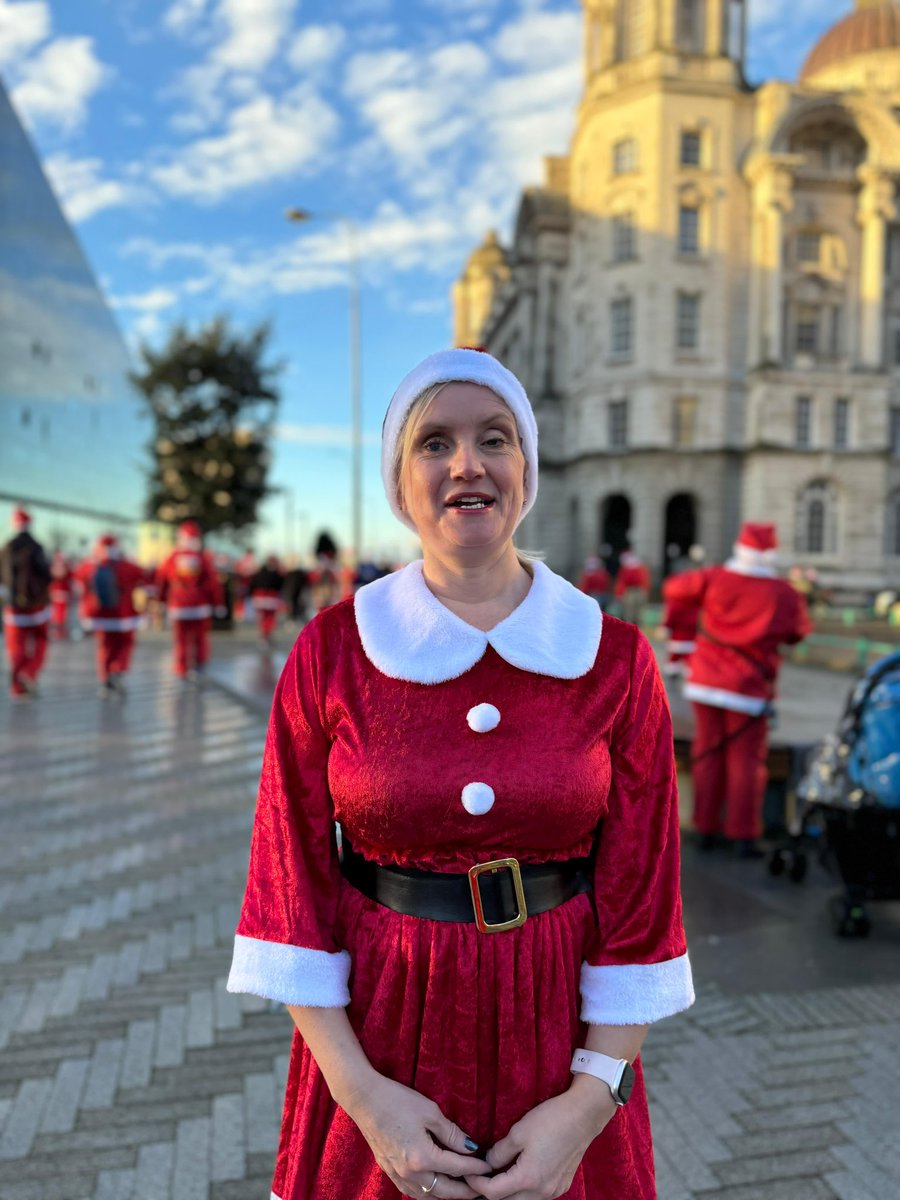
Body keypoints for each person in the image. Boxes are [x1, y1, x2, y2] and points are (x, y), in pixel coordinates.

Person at [227, 348, 694, 1200]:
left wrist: (590, 1104)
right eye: (434, 442)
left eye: (496, 438)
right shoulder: (332, 651)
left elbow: (642, 902)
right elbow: (288, 888)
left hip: (562, 1041)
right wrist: (363, 1098)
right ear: (400, 486)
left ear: (528, 470)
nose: (467, 462)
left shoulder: (616, 659)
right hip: (380, 1037)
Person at [664, 522, 811, 857]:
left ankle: (705, 827)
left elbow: (673, 588)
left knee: (708, 754)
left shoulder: (715, 578)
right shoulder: (783, 592)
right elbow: (798, 631)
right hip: (749, 686)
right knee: (747, 761)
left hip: (705, 681)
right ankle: (742, 834)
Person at [74, 533, 148, 697]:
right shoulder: (126, 566)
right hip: (124, 616)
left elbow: (79, 583)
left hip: (100, 616)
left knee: (104, 648)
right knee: (125, 645)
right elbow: (145, 577)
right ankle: (118, 669)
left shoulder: (89, 566)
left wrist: (85, 612)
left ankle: (105, 678)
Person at [154, 520, 224, 682]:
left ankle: (181, 668)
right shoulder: (203, 558)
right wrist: (217, 603)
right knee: (200, 638)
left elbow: (161, 580)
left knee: (180, 639)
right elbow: (212, 583)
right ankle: (199, 665)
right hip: (199, 606)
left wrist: (161, 600)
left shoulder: (172, 557)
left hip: (178, 605)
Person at [0, 507, 51, 699]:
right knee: (40, 641)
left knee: (15, 647)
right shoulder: (37, 546)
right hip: (37, 607)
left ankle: (17, 687)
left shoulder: (6, 547)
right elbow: (47, 575)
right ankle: (29, 672)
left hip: (13, 607)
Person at [659, 545, 705, 677]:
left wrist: (665, 627)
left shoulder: (675, 603)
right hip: (692, 636)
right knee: (689, 658)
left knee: (674, 657)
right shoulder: (697, 602)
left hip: (678, 637)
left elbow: (670, 618)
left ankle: (673, 670)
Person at [249, 554, 285, 645]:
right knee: (268, 618)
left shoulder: (260, 572)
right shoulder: (276, 573)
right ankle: (266, 635)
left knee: (266, 618)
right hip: (268, 597)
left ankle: (265, 635)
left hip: (264, 597)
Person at [613, 542, 650, 625]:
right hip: (630, 590)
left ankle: (637, 626)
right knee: (629, 611)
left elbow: (644, 579)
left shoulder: (639, 567)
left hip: (638, 590)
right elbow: (622, 581)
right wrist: (619, 593)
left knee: (638, 610)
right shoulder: (627, 568)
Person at [48, 550, 74, 640]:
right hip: (62, 592)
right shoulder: (66, 567)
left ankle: (59, 631)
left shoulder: (52, 567)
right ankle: (61, 631)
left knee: (57, 614)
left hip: (56, 592)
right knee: (62, 614)